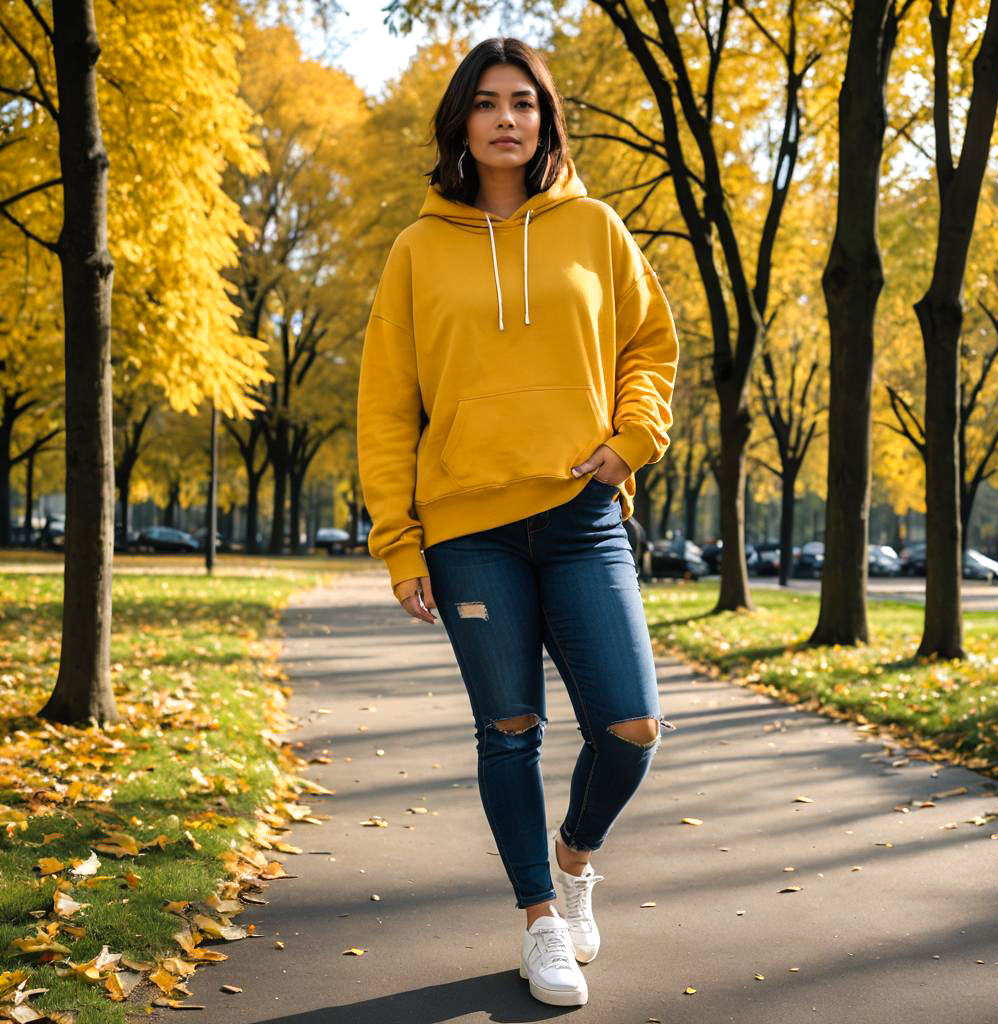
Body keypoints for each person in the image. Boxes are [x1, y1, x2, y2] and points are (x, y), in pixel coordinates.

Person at [356, 36, 678, 1007]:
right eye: (488, 101)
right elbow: (386, 405)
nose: (506, 117)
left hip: (581, 514)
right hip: (466, 532)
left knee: (629, 725)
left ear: (544, 119)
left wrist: (633, 437)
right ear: (460, 120)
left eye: (524, 102)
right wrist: (397, 538)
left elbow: (649, 346)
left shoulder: (593, 227)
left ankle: (574, 857)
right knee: (509, 731)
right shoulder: (416, 250)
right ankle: (540, 921)